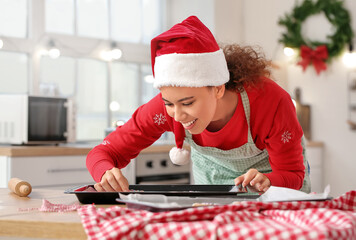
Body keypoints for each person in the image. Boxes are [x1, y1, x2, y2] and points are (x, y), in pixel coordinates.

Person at [86, 16, 311, 193]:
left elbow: (293, 174)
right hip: (213, 198)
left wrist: (269, 180)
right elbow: (102, 152)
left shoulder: (270, 102)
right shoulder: (165, 110)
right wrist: (105, 173)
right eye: (169, 103)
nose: (177, 115)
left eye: (187, 103)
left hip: (273, 196)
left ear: (218, 88)